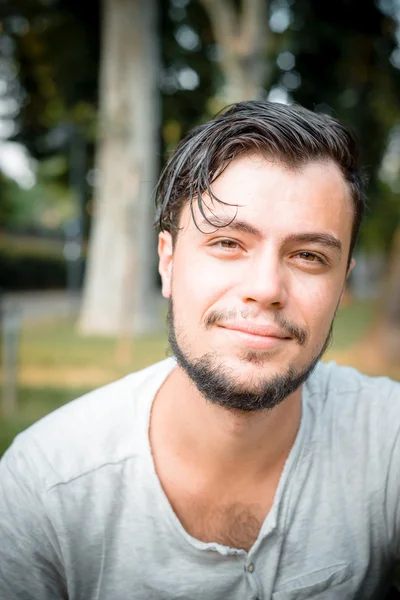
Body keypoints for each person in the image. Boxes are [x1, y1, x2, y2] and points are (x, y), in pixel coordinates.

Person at [0, 100, 399, 600]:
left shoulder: (387, 442)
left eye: (309, 256)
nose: (265, 287)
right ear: (167, 262)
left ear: (343, 285)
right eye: (229, 243)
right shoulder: (45, 488)